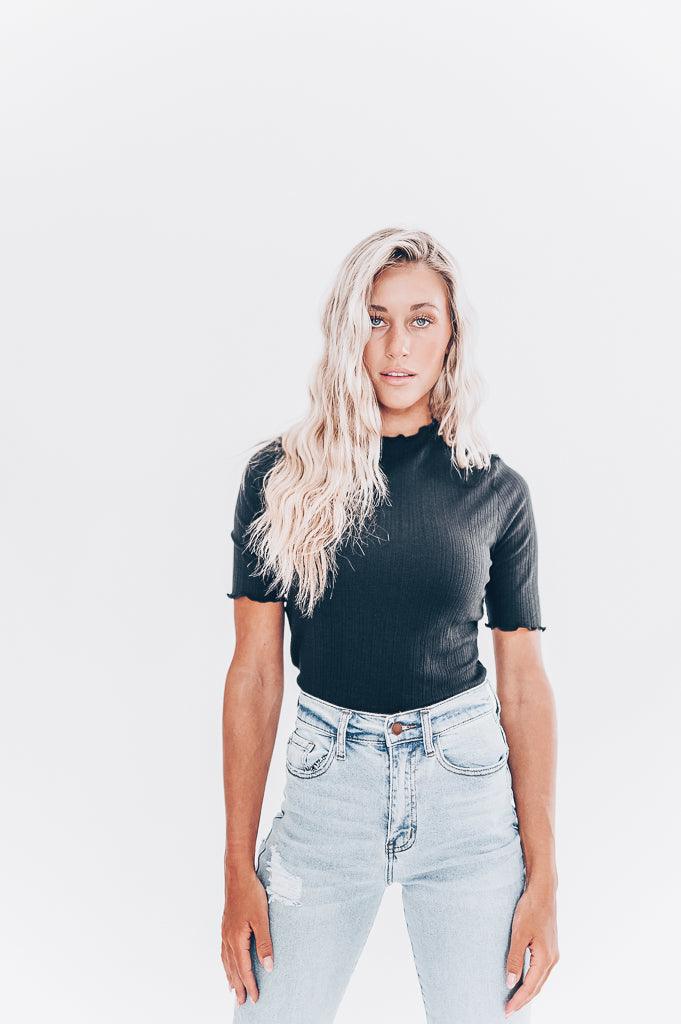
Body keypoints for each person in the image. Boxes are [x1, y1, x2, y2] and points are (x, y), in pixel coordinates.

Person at [221, 227, 559, 1023]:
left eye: (420, 320)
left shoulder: (495, 491)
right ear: (346, 331)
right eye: (374, 320)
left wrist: (544, 879)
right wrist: (237, 867)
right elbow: (255, 673)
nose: (396, 346)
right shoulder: (279, 476)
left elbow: (522, 684)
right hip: (326, 793)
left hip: (465, 796)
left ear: (451, 336)